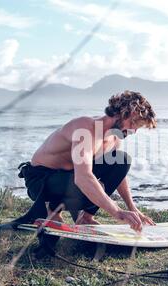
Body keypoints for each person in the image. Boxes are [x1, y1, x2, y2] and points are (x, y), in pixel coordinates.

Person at [13, 90, 157, 232]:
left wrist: (133, 208)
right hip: (40, 181)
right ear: (121, 113)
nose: (134, 131)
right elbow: (83, 178)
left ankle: (86, 217)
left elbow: (118, 176)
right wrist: (117, 213)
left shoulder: (114, 139)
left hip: (67, 177)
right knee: (92, 183)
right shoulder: (85, 128)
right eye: (134, 123)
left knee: (121, 160)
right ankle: (52, 210)